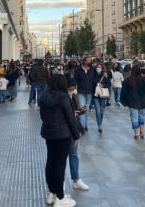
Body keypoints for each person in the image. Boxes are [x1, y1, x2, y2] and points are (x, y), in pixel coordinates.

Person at [39, 74, 80, 207]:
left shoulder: (44, 95)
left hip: (48, 132)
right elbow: (70, 119)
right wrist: (76, 135)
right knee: (60, 164)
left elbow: (42, 116)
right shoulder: (64, 97)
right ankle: (60, 197)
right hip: (62, 134)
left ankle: (52, 193)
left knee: (51, 161)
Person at [66, 79, 90, 191]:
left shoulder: (74, 97)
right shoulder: (61, 98)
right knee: (61, 159)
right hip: (63, 131)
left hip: (73, 129)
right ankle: (59, 186)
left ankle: (76, 179)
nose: (72, 91)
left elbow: (74, 114)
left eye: (73, 89)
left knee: (74, 155)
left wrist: (80, 111)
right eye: (70, 89)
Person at [120, 64, 145, 139]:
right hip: (142, 101)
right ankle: (142, 132)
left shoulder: (128, 80)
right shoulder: (143, 80)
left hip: (132, 102)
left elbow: (123, 92)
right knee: (142, 116)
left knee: (134, 118)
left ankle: (136, 133)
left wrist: (125, 101)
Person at [74, 56, 96, 133]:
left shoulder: (93, 70)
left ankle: (85, 124)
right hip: (81, 92)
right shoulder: (78, 70)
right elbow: (75, 80)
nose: (90, 61)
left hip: (90, 92)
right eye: (89, 60)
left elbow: (95, 79)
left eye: (91, 60)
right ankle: (82, 127)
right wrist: (74, 89)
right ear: (84, 62)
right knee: (82, 109)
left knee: (85, 110)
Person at [92, 63, 111, 134]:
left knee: (102, 110)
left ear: (102, 68)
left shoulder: (105, 75)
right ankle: (99, 126)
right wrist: (97, 83)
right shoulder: (94, 74)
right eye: (97, 67)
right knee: (98, 110)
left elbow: (108, 84)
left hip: (103, 95)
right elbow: (92, 82)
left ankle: (100, 123)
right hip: (96, 95)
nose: (98, 68)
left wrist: (103, 85)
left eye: (100, 67)